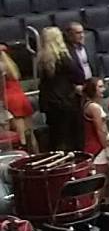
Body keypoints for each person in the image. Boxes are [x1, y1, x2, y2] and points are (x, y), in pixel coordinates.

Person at [35, 26, 80, 154]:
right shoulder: (63, 58)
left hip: (50, 103)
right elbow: (77, 74)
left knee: (56, 135)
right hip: (64, 100)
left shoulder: (41, 59)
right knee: (68, 135)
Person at [2, 49, 36, 152]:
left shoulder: (1, 68)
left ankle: (25, 159)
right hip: (21, 98)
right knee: (30, 134)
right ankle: (36, 154)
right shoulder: (11, 66)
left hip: (10, 100)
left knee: (21, 138)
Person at [77, 78, 109, 159]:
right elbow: (100, 130)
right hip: (97, 148)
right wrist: (107, 149)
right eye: (100, 87)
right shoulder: (93, 107)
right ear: (92, 89)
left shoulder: (91, 105)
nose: (104, 89)